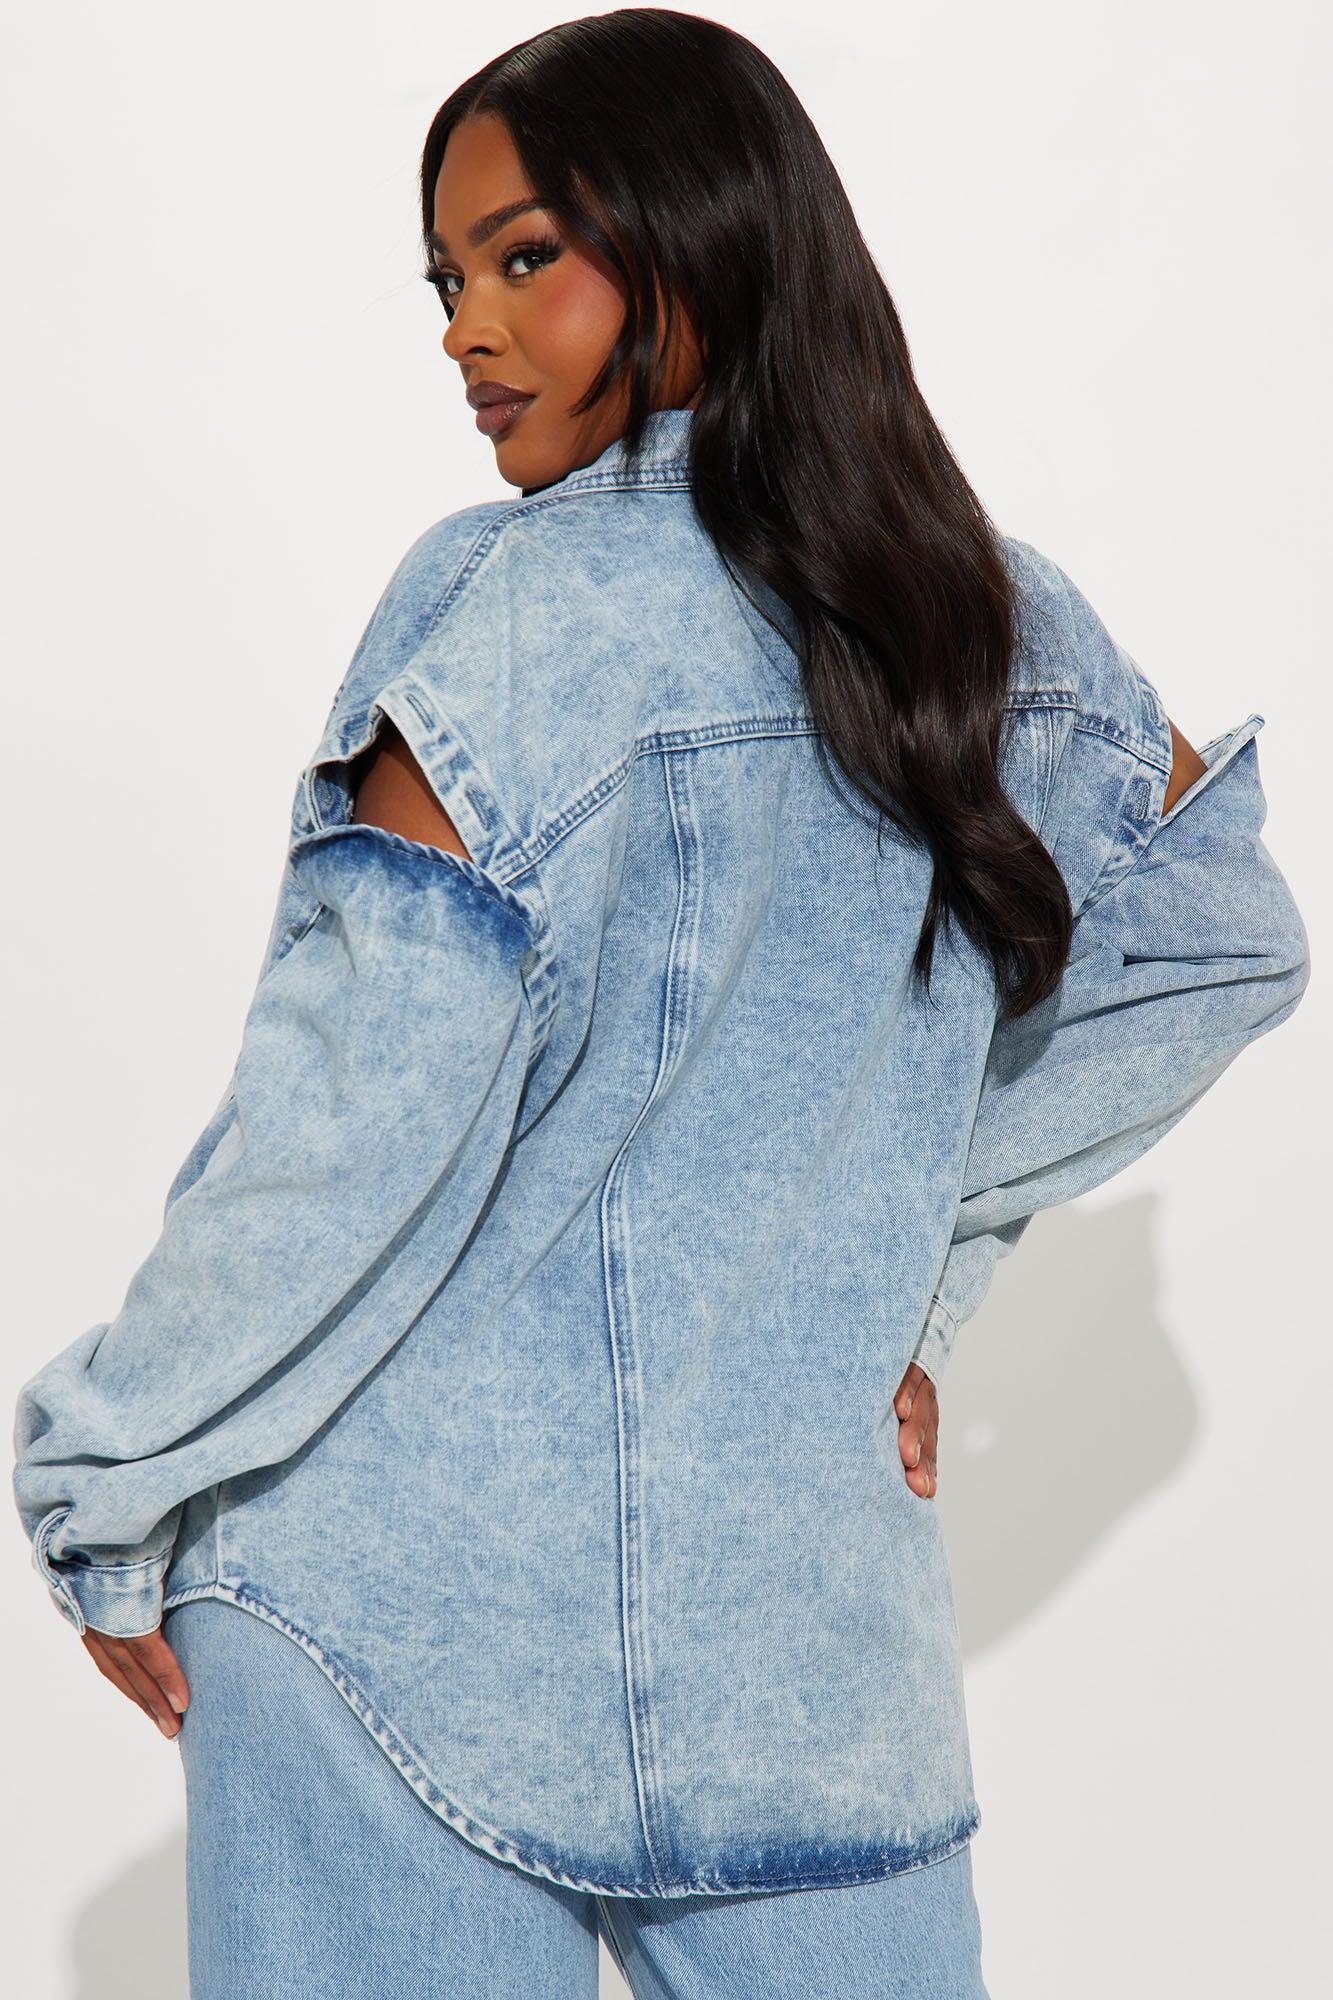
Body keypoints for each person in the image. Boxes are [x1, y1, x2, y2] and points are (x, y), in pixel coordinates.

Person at [12, 12, 1310, 1998]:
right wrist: (907, 1254)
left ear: (706, 241)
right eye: (447, 281)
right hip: (799, 1643)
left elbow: (345, 1124)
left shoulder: (504, 611)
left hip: (380, 1622)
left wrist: (102, 1473)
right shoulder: (980, 616)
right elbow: (1211, 937)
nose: (467, 330)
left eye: (525, 257)